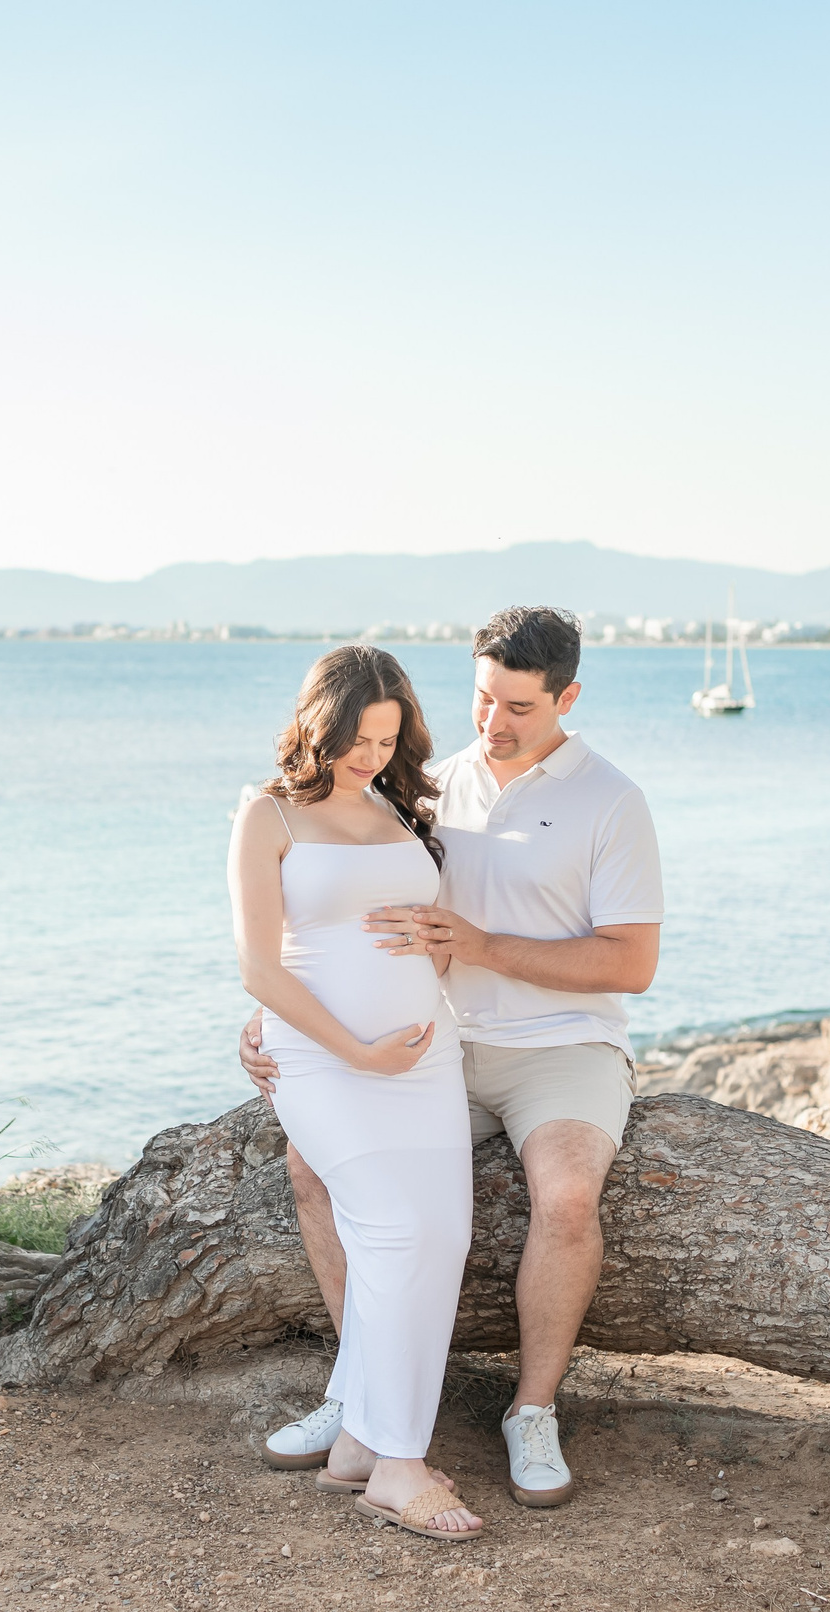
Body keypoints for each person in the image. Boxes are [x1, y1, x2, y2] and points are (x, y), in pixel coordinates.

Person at [244, 606, 660, 1508]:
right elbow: (326, 917)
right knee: (311, 1169)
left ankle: (532, 1411)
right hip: (439, 1042)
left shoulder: (611, 799)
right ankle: (358, 1401)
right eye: (481, 699)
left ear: (567, 697)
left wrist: (480, 943)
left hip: (559, 1046)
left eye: (516, 706)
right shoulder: (423, 786)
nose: (493, 722)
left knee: (567, 1194)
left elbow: (632, 961)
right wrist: (266, 1023)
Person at [227, 644, 485, 1541]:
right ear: (318, 722)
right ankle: (399, 1464)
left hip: (427, 1055)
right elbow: (261, 964)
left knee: (441, 1235)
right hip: (328, 1062)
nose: (374, 754)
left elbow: (429, 933)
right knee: (390, 1229)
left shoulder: (395, 803)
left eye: (388, 736)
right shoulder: (268, 815)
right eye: (359, 737)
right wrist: (356, 1050)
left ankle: (358, 1446)